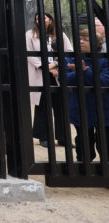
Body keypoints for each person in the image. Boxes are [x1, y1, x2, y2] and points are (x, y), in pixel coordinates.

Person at [26, 12, 72, 147]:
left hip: (57, 74)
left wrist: (56, 65)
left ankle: (63, 138)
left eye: (43, 17)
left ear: (50, 19)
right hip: (41, 74)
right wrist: (45, 68)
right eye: (37, 18)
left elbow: (68, 51)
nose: (40, 20)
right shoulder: (30, 34)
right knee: (43, 106)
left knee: (61, 106)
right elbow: (29, 54)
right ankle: (43, 137)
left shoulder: (60, 34)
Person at [64, 29, 109, 163]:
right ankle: (84, 168)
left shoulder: (105, 59)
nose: (81, 42)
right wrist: (81, 73)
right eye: (80, 39)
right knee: (83, 141)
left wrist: (82, 73)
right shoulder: (70, 58)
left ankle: (105, 171)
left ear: (98, 43)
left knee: (105, 141)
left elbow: (104, 80)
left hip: (103, 108)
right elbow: (64, 78)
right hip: (79, 107)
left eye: (86, 39)